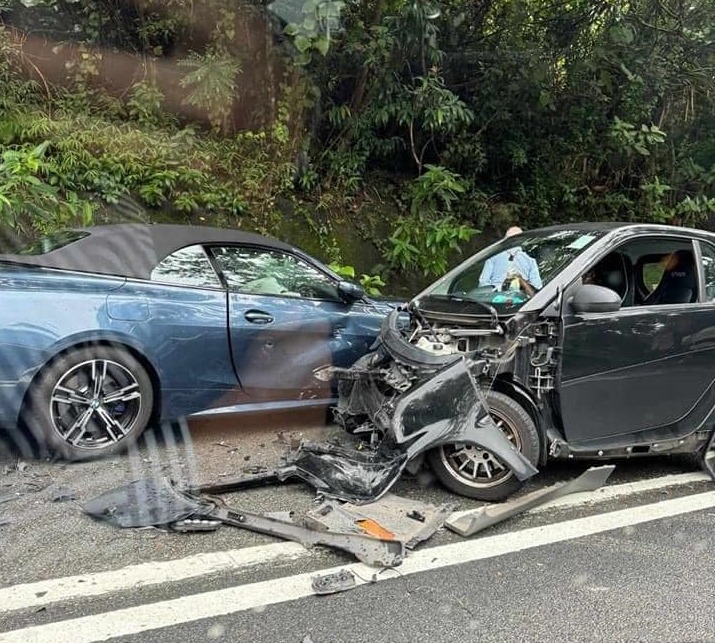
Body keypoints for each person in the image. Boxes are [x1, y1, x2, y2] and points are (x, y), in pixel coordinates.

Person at [478, 226, 542, 296]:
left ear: (505, 240)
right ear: (522, 241)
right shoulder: (530, 260)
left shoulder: (493, 257)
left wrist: (497, 292)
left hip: (496, 299)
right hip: (522, 300)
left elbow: (483, 282)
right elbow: (537, 286)